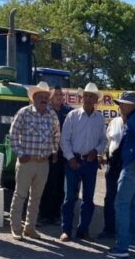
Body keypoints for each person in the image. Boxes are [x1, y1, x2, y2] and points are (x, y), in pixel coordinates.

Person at [7, 81, 60, 240]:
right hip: (26, 161)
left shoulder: (52, 115)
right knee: (20, 194)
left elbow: (56, 134)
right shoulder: (24, 113)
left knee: (36, 197)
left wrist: (54, 151)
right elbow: (13, 135)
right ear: (34, 98)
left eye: (46, 96)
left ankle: (30, 227)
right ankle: (16, 227)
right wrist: (20, 153)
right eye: (40, 96)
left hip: (43, 162)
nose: (44, 99)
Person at [59, 82, 107, 241]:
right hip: (73, 160)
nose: (88, 98)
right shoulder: (72, 116)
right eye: (86, 95)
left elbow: (103, 140)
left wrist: (96, 151)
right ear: (82, 97)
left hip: (90, 162)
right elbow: (64, 140)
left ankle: (83, 229)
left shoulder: (100, 118)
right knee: (69, 198)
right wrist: (71, 158)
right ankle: (66, 230)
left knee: (88, 199)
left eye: (91, 96)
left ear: (95, 100)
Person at [106, 92, 135, 259]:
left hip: (133, 166)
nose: (120, 106)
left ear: (131, 105)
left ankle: (122, 246)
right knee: (132, 203)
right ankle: (134, 239)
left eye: (123, 103)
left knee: (121, 204)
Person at [37, 86, 73, 226]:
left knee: (60, 186)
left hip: (64, 154)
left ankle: (57, 215)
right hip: (48, 154)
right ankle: (44, 215)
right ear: (50, 97)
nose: (59, 97)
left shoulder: (69, 111)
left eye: (61, 94)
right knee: (46, 185)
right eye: (56, 94)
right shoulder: (45, 110)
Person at [98, 111, 124, 240]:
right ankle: (109, 229)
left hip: (127, 166)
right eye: (121, 105)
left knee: (125, 200)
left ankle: (124, 231)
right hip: (112, 164)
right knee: (109, 198)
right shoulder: (114, 122)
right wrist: (102, 154)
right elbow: (107, 141)